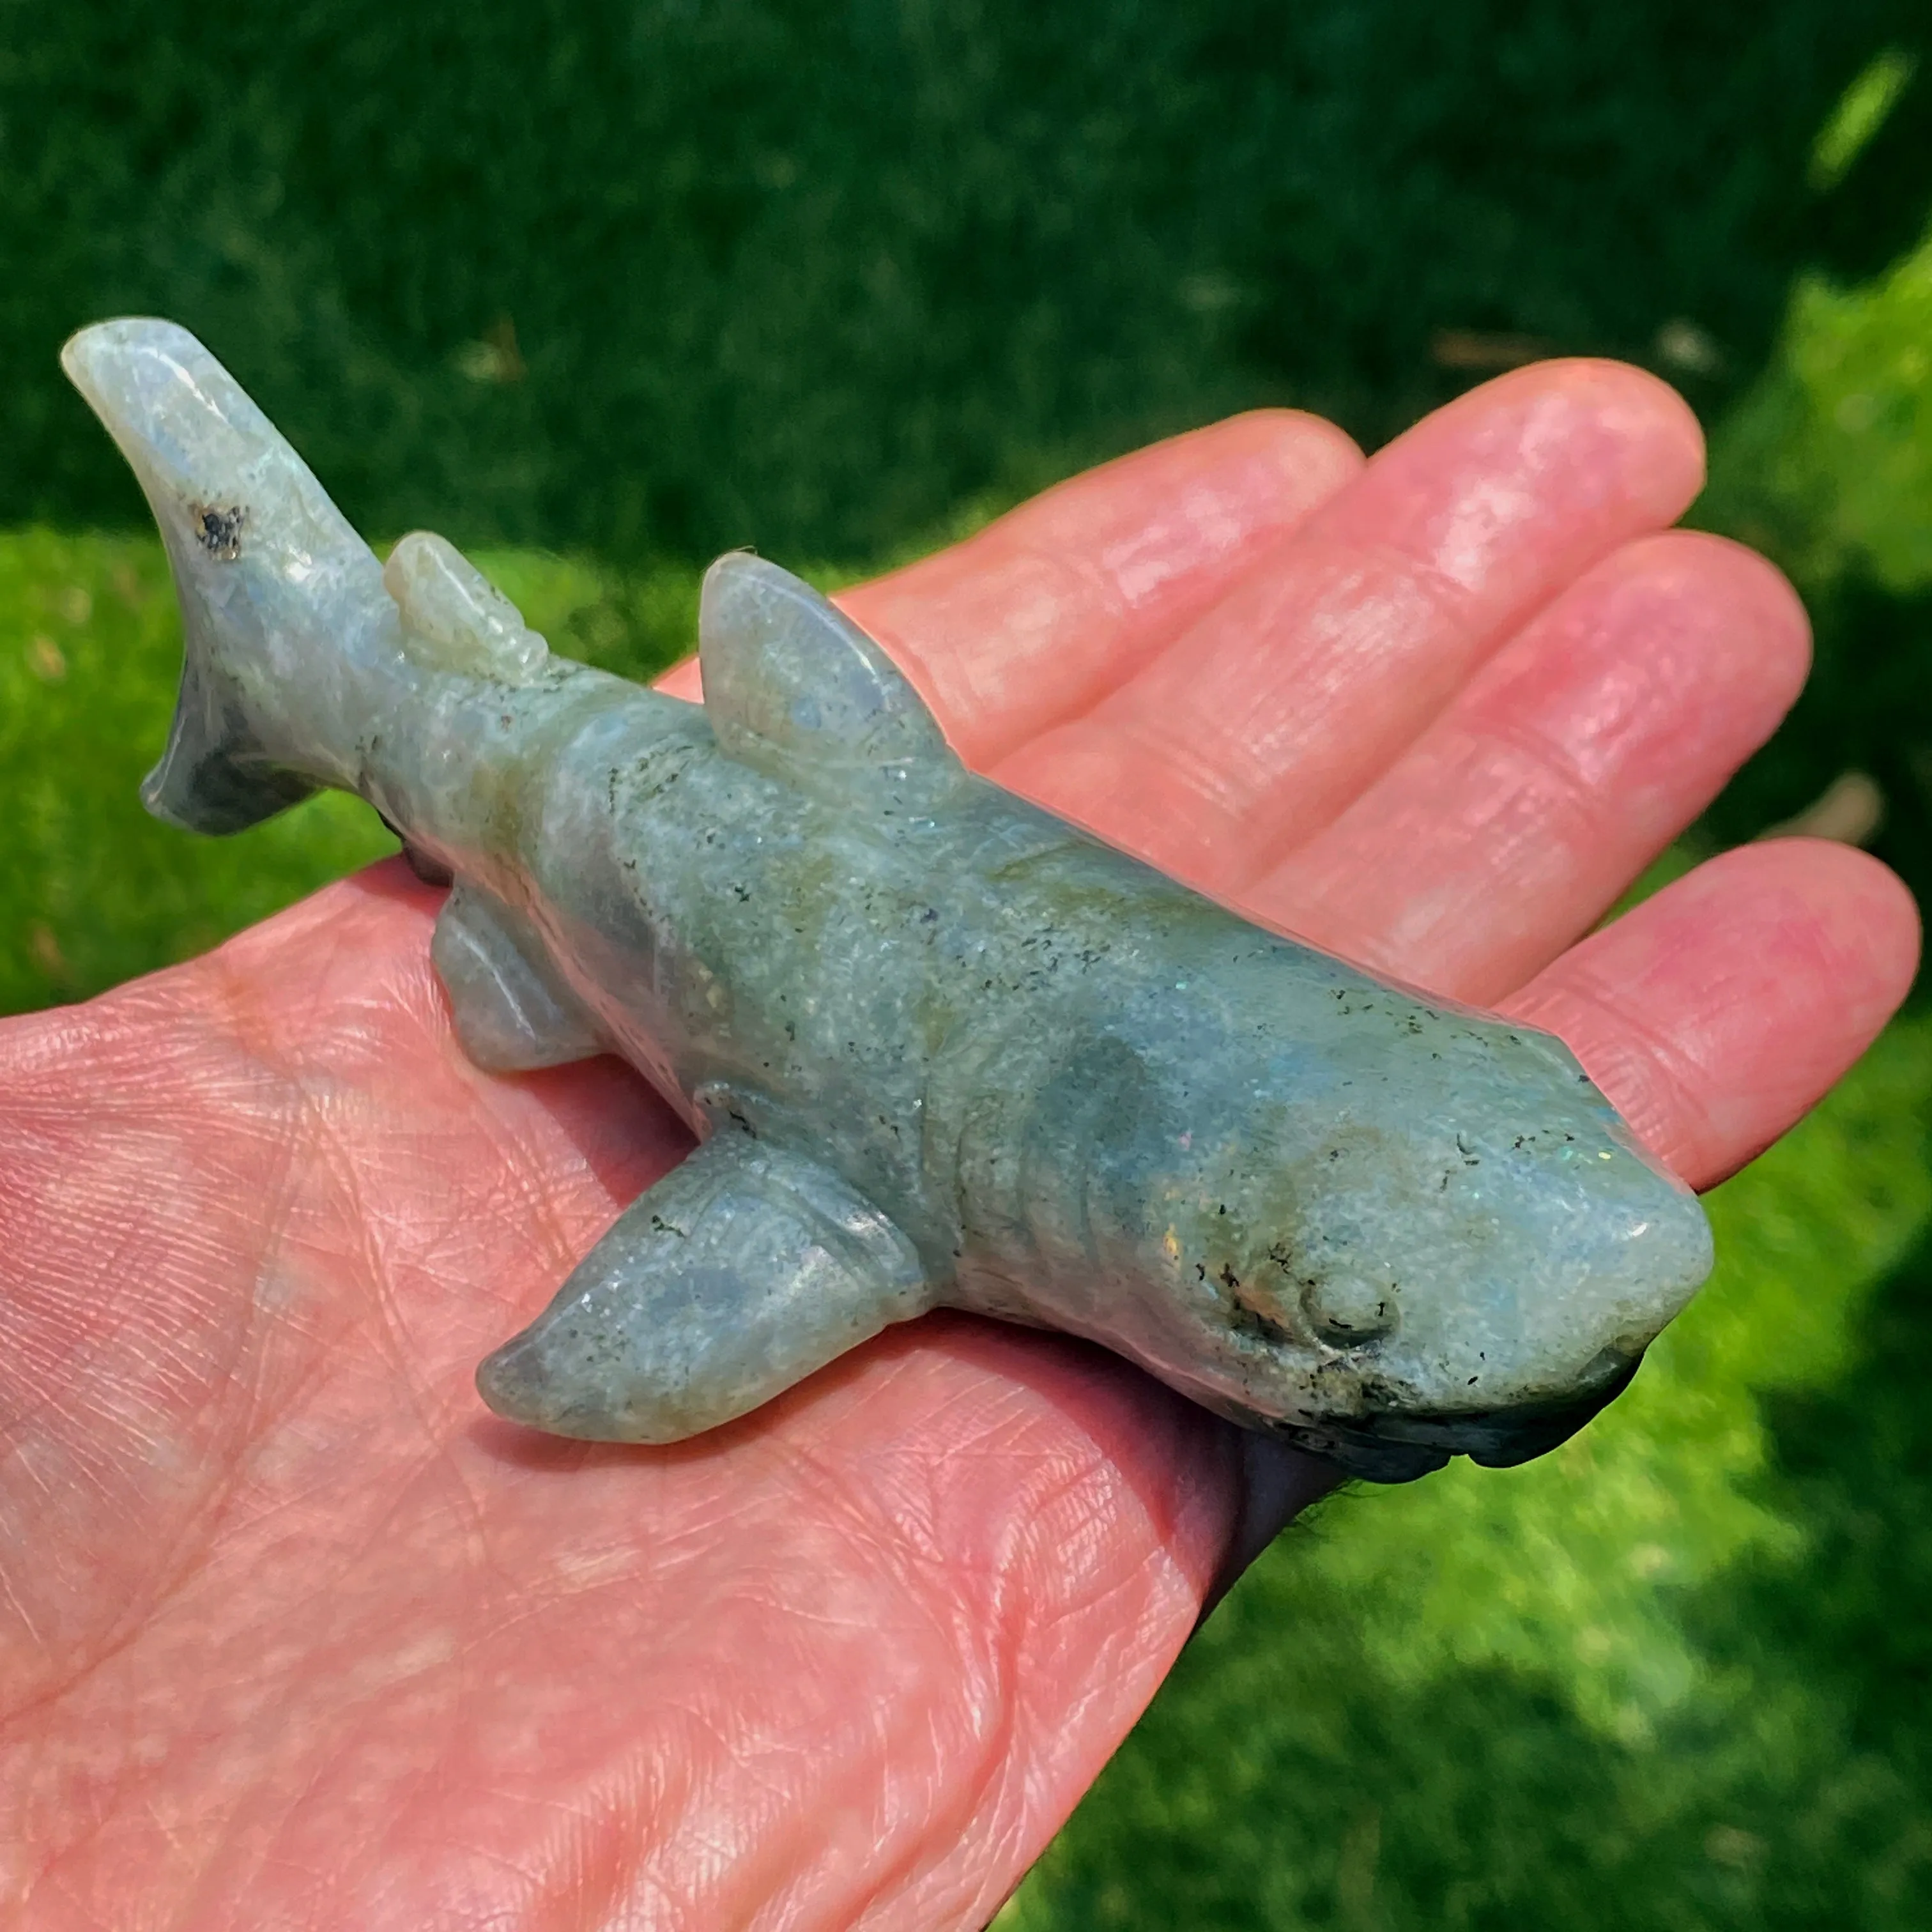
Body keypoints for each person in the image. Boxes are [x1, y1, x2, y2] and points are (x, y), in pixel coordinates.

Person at [0, 358, 1916, 1929]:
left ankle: (336, 678)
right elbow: (598, 1368)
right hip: (665, 825)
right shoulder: (869, 1205)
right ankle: (303, 680)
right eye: (1326, 1312)